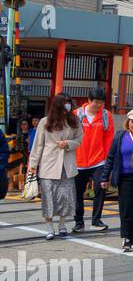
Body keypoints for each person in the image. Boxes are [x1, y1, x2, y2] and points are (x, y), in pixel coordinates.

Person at [30, 94, 83, 239]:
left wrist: (68, 143)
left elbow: (79, 139)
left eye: (69, 104)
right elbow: (38, 145)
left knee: (65, 197)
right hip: (49, 165)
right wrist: (33, 164)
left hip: (67, 165)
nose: (67, 107)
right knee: (48, 197)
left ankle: (62, 224)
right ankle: (49, 228)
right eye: (64, 104)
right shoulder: (45, 122)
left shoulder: (74, 121)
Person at [71, 86, 113, 233]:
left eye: (101, 103)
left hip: (98, 160)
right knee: (78, 192)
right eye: (95, 102)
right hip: (79, 161)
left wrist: (107, 159)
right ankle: (79, 221)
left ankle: (96, 220)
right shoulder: (76, 115)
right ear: (89, 101)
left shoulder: (106, 115)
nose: (98, 106)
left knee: (100, 189)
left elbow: (109, 139)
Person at [106, 109, 133, 251]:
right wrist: (104, 176)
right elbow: (111, 157)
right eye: (132, 122)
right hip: (125, 177)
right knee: (126, 209)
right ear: (127, 122)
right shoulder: (120, 136)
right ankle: (127, 238)